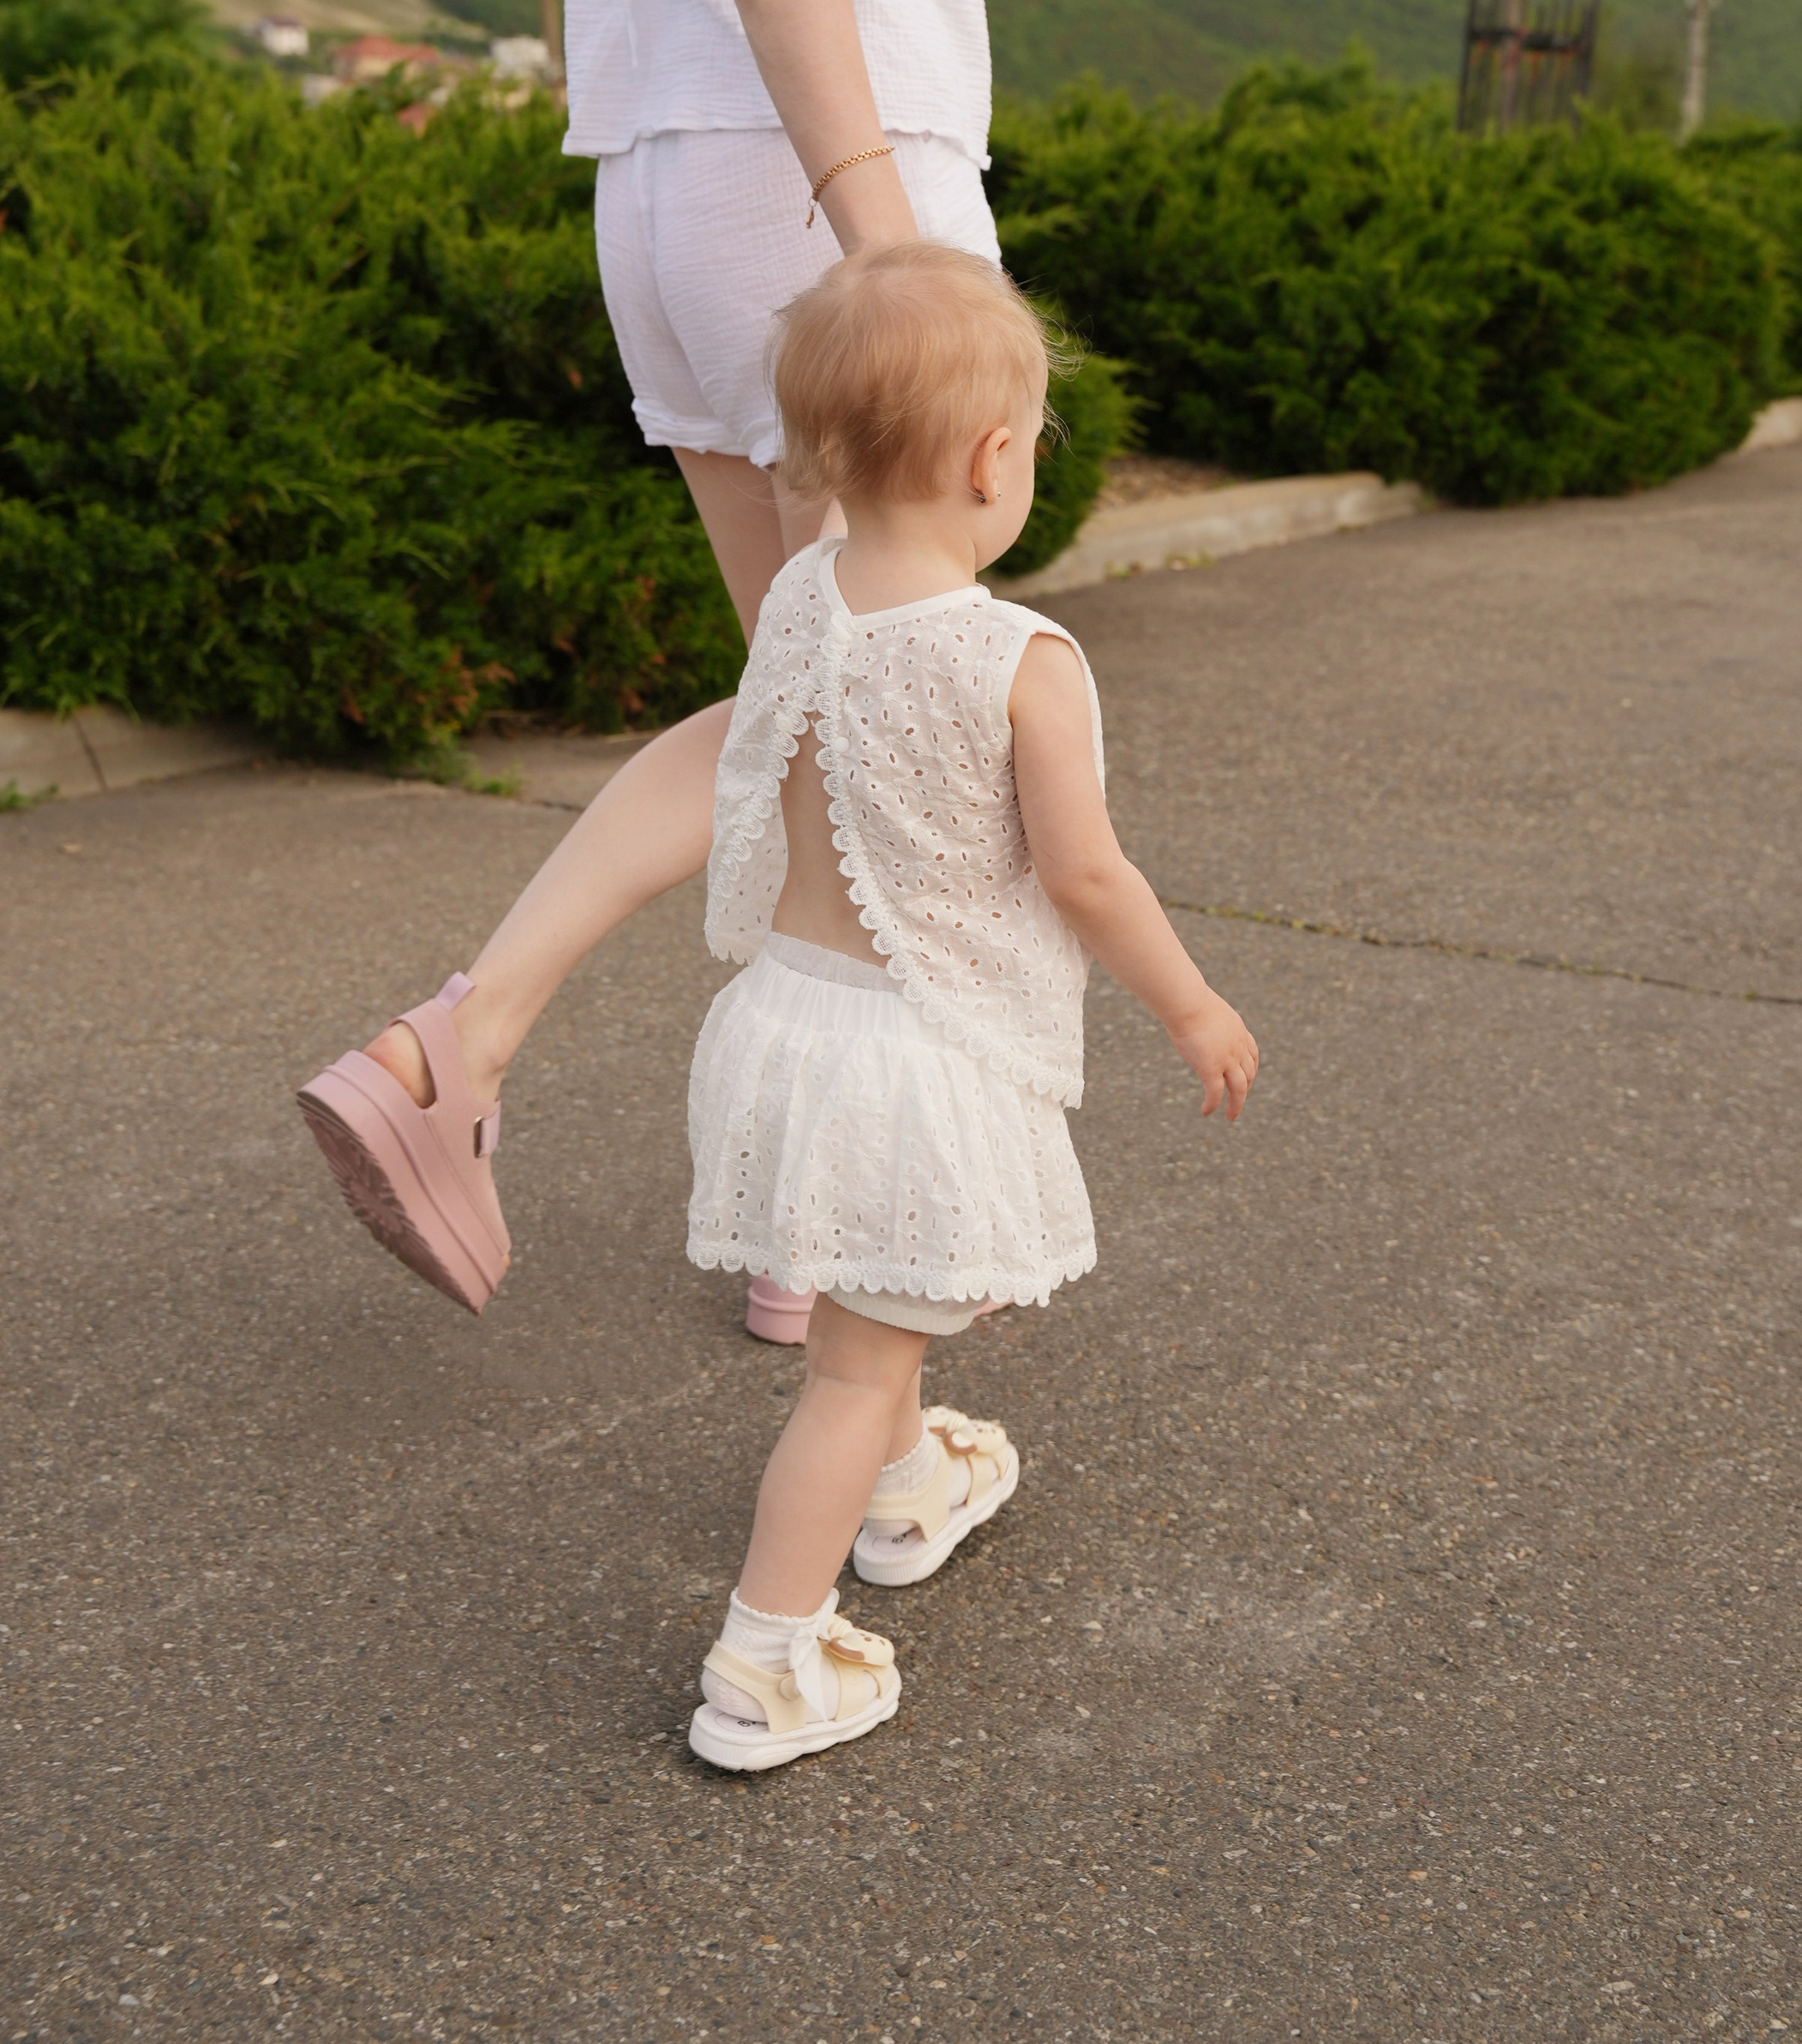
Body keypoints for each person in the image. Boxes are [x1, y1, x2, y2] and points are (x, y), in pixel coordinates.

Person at [292, 0, 1127, 1338]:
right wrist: (892, 246)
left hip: (673, 184)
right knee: (901, 723)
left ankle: (786, 1231)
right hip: (816, 193)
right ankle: (469, 1057)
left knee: (817, 711)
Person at [307, 245, 1260, 1771]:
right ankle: (767, 1660)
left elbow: (748, 772)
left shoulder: (807, 600)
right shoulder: (1023, 661)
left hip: (783, 1026)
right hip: (912, 1059)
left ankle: (907, 1489)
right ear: (993, 459)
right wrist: (1193, 1005)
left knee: (863, 1295)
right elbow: (1085, 875)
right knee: (853, 1370)